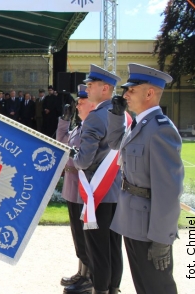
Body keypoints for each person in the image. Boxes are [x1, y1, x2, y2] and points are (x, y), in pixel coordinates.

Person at [106, 63, 181, 294]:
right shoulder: (140, 124)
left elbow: (169, 190)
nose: (125, 94)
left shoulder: (160, 129)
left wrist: (162, 238)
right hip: (133, 219)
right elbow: (115, 144)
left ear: (149, 93)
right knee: (143, 285)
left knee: (157, 287)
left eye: (131, 90)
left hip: (151, 226)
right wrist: (117, 116)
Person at [69, 64, 123, 294]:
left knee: (98, 251)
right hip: (116, 191)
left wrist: (74, 155)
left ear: (106, 88)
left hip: (96, 194)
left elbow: (83, 161)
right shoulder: (122, 116)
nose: (88, 88)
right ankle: (114, 289)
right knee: (113, 247)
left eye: (92, 85)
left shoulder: (94, 117)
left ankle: (100, 290)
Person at [56, 85, 95, 291]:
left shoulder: (92, 128)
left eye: (81, 102)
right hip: (72, 188)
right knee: (78, 235)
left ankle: (88, 277)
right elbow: (61, 141)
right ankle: (81, 272)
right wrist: (65, 120)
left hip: (84, 190)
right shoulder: (79, 128)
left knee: (85, 236)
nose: (77, 105)